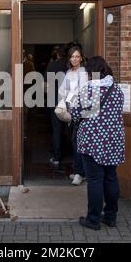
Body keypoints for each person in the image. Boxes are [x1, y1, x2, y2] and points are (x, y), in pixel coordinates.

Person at [69, 56, 125, 230]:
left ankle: (93, 219)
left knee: (95, 180)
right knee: (111, 177)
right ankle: (110, 217)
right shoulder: (116, 90)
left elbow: (75, 113)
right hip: (113, 140)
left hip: (92, 141)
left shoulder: (87, 91)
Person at [58, 44, 88, 185]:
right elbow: (62, 90)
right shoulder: (69, 72)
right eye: (72, 57)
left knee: (77, 142)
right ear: (69, 59)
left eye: (77, 56)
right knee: (74, 141)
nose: (75, 59)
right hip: (71, 110)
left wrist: (70, 95)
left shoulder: (83, 72)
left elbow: (82, 93)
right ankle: (78, 170)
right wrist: (69, 96)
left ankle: (79, 173)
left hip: (81, 112)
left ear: (81, 58)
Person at [45, 45, 68, 167]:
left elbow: (46, 84)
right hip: (70, 102)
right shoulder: (70, 66)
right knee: (72, 130)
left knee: (57, 129)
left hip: (54, 101)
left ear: (57, 54)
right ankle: (77, 162)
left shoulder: (52, 65)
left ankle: (57, 156)